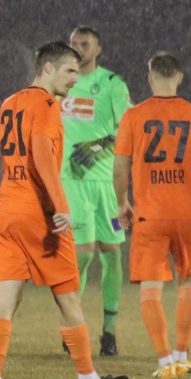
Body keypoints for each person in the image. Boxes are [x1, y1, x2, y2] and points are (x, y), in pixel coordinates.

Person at [0, 42, 129, 379]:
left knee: (6, 299)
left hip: (6, 211)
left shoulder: (8, 103)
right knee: (69, 299)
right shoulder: (47, 104)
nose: (75, 80)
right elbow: (41, 155)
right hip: (38, 216)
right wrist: (60, 206)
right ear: (48, 67)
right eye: (69, 71)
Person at [113, 52, 191, 379]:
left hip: (151, 214)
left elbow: (120, 169)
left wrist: (122, 204)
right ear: (180, 77)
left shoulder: (133, 116)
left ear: (150, 78)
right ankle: (183, 354)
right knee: (188, 280)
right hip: (188, 213)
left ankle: (165, 359)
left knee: (150, 288)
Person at [61, 26, 132, 356]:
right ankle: (72, 327)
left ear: (98, 49)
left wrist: (98, 145)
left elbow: (128, 129)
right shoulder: (59, 83)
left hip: (107, 182)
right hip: (72, 181)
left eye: (85, 44)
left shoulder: (111, 84)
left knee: (112, 254)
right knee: (83, 253)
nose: (78, 48)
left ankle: (109, 333)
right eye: (74, 43)